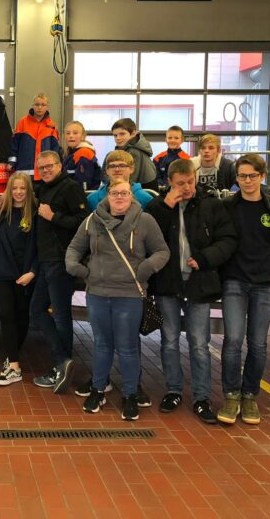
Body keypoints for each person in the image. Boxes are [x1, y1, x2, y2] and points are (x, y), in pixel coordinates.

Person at [65, 178, 169, 421]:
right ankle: (98, 389)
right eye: (115, 193)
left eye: (124, 193)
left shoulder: (145, 221)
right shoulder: (92, 220)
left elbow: (162, 251)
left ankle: (130, 394)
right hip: (97, 293)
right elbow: (74, 248)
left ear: (131, 196)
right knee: (101, 344)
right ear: (107, 196)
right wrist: (76, 268)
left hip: (129, 294)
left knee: (127, 346)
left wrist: (144, 270)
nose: (119, 197)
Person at [146, 159, 237, 424]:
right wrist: (166, 207)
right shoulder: (158, 206)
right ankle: (173, 391)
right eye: (180, 184)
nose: (186, 188)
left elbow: (228, 239)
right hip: (168, 285)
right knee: (169, 340)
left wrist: (205, 258)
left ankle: (201, 397)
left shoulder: (211, 205)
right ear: (169, 183)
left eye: (190, 182)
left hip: (199, 283)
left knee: (199, 343)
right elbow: (147, 238)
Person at [217, 154, 270, 426]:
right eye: (242, 176)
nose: (247, 181)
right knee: (233, 341)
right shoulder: (227, 207)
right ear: (236, 178)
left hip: (265, 283)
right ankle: (231, 395)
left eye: (252, 175)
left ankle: (250, 395)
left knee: (258, 344)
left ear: (262, 176)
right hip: (234, 281)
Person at [30, 150, 88, 393]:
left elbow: (84, 221)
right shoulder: (43, 188)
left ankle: (61, 365)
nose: (45, 170)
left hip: (61, 261)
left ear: (59, 165)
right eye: (41, 167)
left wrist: (54, 216)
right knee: (37, 310)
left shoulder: (70, 188)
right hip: (46, 261)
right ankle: (63, 361)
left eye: (49, 166)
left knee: (61, 316)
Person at [0, 172, 37, 386]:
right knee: (7, 316)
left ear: (28, 191)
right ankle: (15, 367)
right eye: (15, 188)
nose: (18, 192)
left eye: (22, 188)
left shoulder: (35, 215)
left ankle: (12, 357)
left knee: (22, 317)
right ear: (9, 190)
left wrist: (32, 272)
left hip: (25, 275)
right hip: (2, 274)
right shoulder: (0, 214)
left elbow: (40, 247)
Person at [9, 93, 60, 180]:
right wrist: (11, 162)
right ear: (33, 106)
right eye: (37, 104)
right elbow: (14, 144)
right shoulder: (23, 122)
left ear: (47, 107)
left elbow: (55, 149)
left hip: (44, 172)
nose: (40, 107)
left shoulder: (52, 125)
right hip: (24, 170)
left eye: (43, 105)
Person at [88, 151, 154, 211]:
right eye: (112, 166)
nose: (117, 169)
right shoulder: (92, 199)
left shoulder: (145, 199)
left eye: (122, 166)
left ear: (131, 169)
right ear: (107, 170)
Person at [112, 118, 157, 190]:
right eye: (115, 135)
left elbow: (130, 178)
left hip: (143, 190)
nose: (118, 138)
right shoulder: (133, 147)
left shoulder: (133, 151)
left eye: (122, 134)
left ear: (133, 133)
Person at [62, 120, 101, 191]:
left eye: (75, 133)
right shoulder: (71, 153)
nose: (71, 136)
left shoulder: (84, 153)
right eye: (68, 133)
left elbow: (84, 183)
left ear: (83, 136)